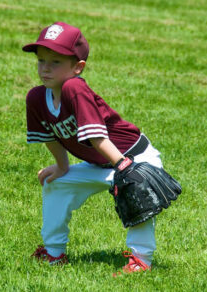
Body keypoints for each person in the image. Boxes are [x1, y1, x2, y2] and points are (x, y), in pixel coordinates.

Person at [22, 22, 164, 274]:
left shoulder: (75, 88)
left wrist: (124, 168)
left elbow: (97, 137)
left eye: (56, 62)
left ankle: (141, 260)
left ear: (78, 67)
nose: (45, 67)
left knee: (135, 190)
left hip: (133, 157)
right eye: (41, 60)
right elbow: (49, 135)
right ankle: (54, 253)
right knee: (56, 183)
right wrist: (62, 166)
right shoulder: (36, 98)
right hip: (101, 162)